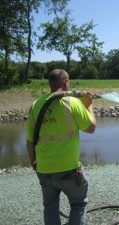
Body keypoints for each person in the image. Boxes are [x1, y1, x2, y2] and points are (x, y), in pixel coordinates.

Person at [26, 69, 96, 225]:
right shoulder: (72, 102)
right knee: (79, 204)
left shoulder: (35, 105)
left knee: (50, 207)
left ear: (50, 83)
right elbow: (91, 128)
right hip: (69, 170)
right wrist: (89, 105)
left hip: (44, 170)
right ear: (66, 83)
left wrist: (34, 164)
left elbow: (30, 141)